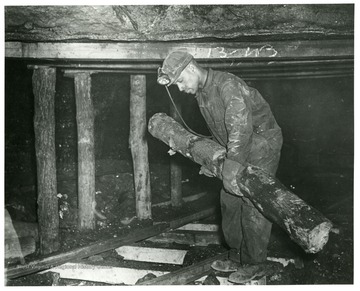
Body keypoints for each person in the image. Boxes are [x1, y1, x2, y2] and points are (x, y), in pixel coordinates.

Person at [157, 51, 283, 273]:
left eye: (180, 81)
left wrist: (231, 167)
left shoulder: (227, 85)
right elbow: (220, 132)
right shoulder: (202, 93)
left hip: (262, 146)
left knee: (252, 202)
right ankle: (236, 256)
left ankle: (255, 263)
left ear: (191, 69)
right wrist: (213, 161)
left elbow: (240, 128)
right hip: (238, 145)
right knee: (229, 200)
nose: (181, 88)